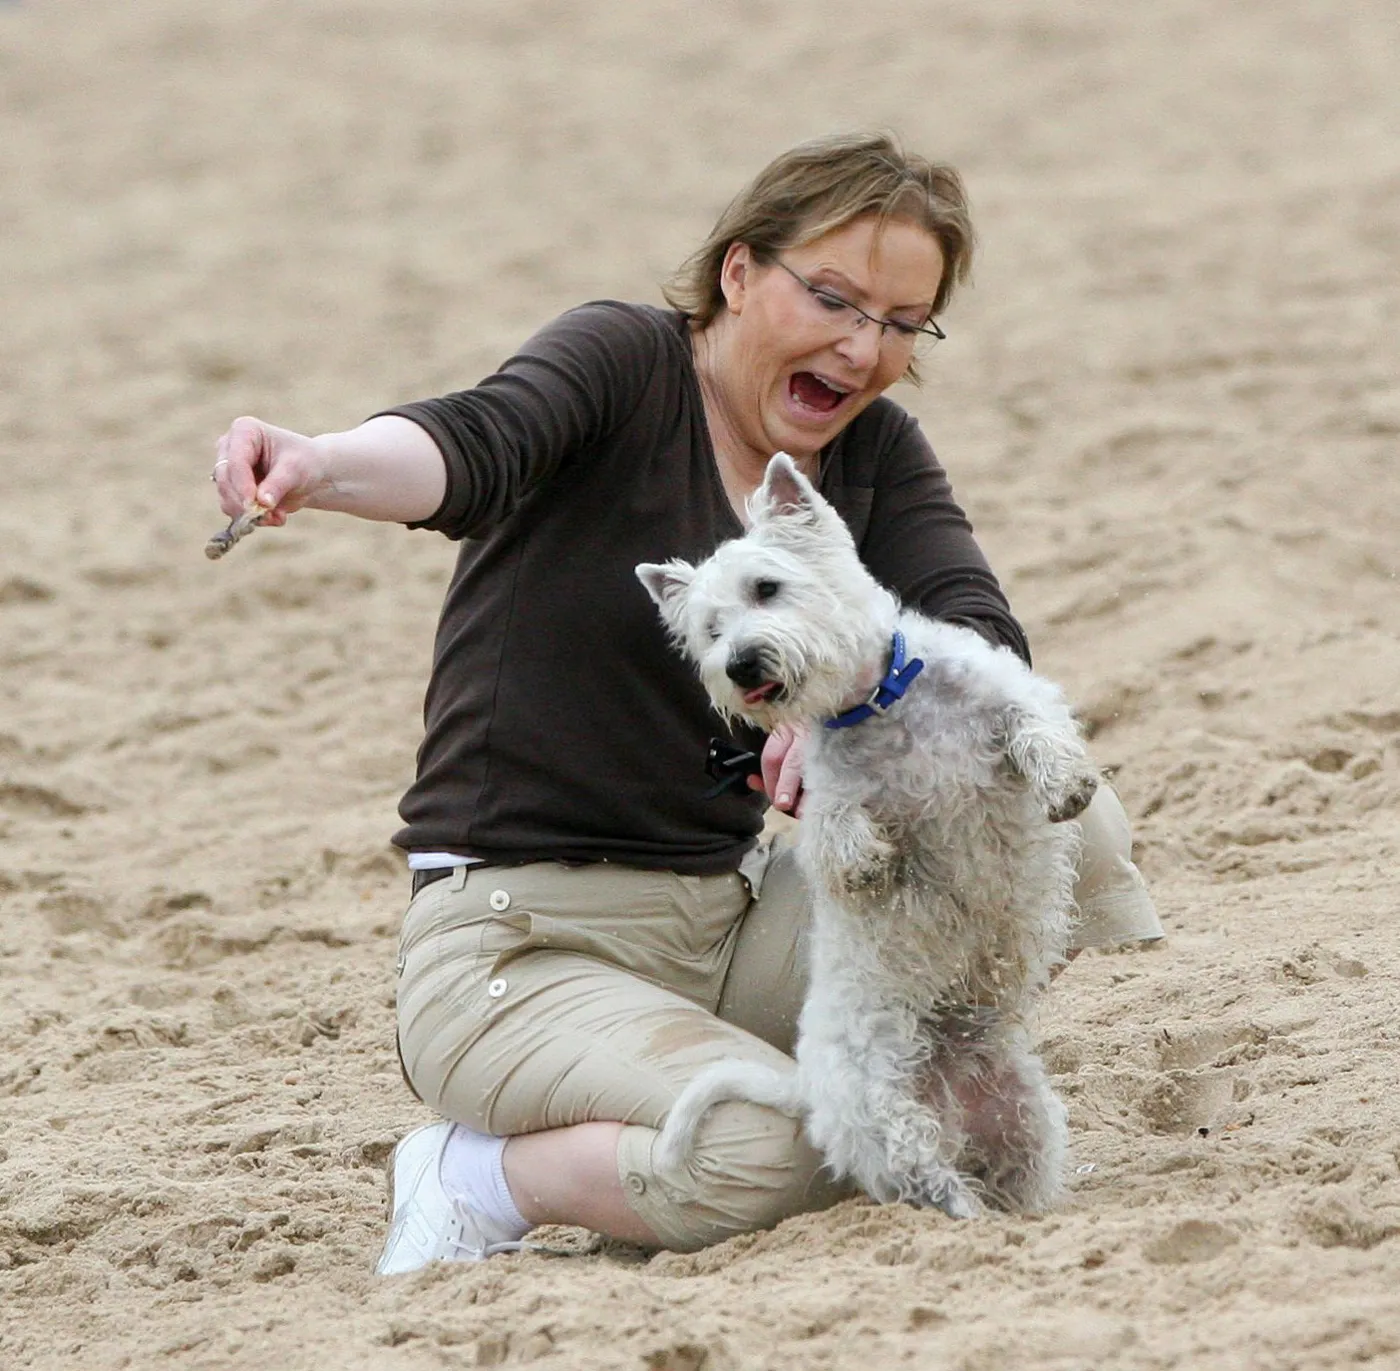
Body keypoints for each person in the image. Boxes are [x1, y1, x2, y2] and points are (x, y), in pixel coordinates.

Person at [210, 132, 1161, 1273]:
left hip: (734, 917)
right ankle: (476, 1176)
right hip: (522, 944)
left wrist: (854, 712)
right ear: (739, 272)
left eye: (903, 323)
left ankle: (931, 1059)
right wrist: (322, 464)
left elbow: (975, 627)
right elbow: (471, 445)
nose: (863, 348)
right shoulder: (624, 364)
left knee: (1047, 789)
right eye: (834, 298)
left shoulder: (869, 455)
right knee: (778, 1151)